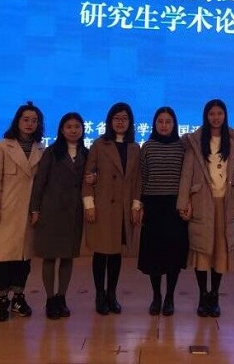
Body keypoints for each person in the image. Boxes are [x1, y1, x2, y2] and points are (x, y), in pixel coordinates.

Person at [177, 99, 234, 318]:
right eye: (212, 114)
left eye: (219, 113)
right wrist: (184, 202)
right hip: (202, 202)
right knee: (202, 251)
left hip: (224, 204)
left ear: (225, 116)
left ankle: (214, 296)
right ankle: (202, 295)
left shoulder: (233, 142)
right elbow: (187, 174)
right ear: (206, 116)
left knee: (220, 252)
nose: (216, 118)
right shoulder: (195, 141)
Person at [0, 101, 45, 322]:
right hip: (5, 209)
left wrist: (38, 209)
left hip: (28, 212)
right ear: (17, 121)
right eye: (25, 119)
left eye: (34, 120)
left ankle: (19, 297)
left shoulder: (41, 149)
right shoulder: (2, 146)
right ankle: (2, 299)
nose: (30, 124)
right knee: (2, 258)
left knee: (23, 258)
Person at [29, 112, 92, 320]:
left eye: (77, 127)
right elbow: (39, 183)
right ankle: (49, 299)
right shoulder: (51, 152)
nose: (73, 130)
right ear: (62, 130)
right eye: (69, 127)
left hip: (74, 213)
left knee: (67, 257)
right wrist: (35, 210)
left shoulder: (86, 153)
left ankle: (61, 297)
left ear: (82, 130)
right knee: (49, 257)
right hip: (51, 211)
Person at [83, 102, 141, 315]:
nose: (120, 122)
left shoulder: (135, 147)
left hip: (123, 209)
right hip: (103, 207)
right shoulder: (99, 144)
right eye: (116, 118)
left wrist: (136, 206)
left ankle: (112, 294)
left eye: (124, 118)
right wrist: (89, 205)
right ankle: (99, 295)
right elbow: (88, 176)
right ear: (109, 121)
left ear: (130, 122)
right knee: (101, 253)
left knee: (116, 254)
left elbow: (137, 180)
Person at [138, 107, 188, 316]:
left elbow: (186, 176)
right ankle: (156, 296)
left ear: (174, 124)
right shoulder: (147, 146)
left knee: (173, 255)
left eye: (168, 121)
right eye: (160, 121)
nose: (164, 125)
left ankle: (170, 297)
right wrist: (140, 205)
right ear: (155, 124)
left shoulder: (182, 146)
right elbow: (142, 177)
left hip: (175, 207)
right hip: (152, 206)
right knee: (154, 254)